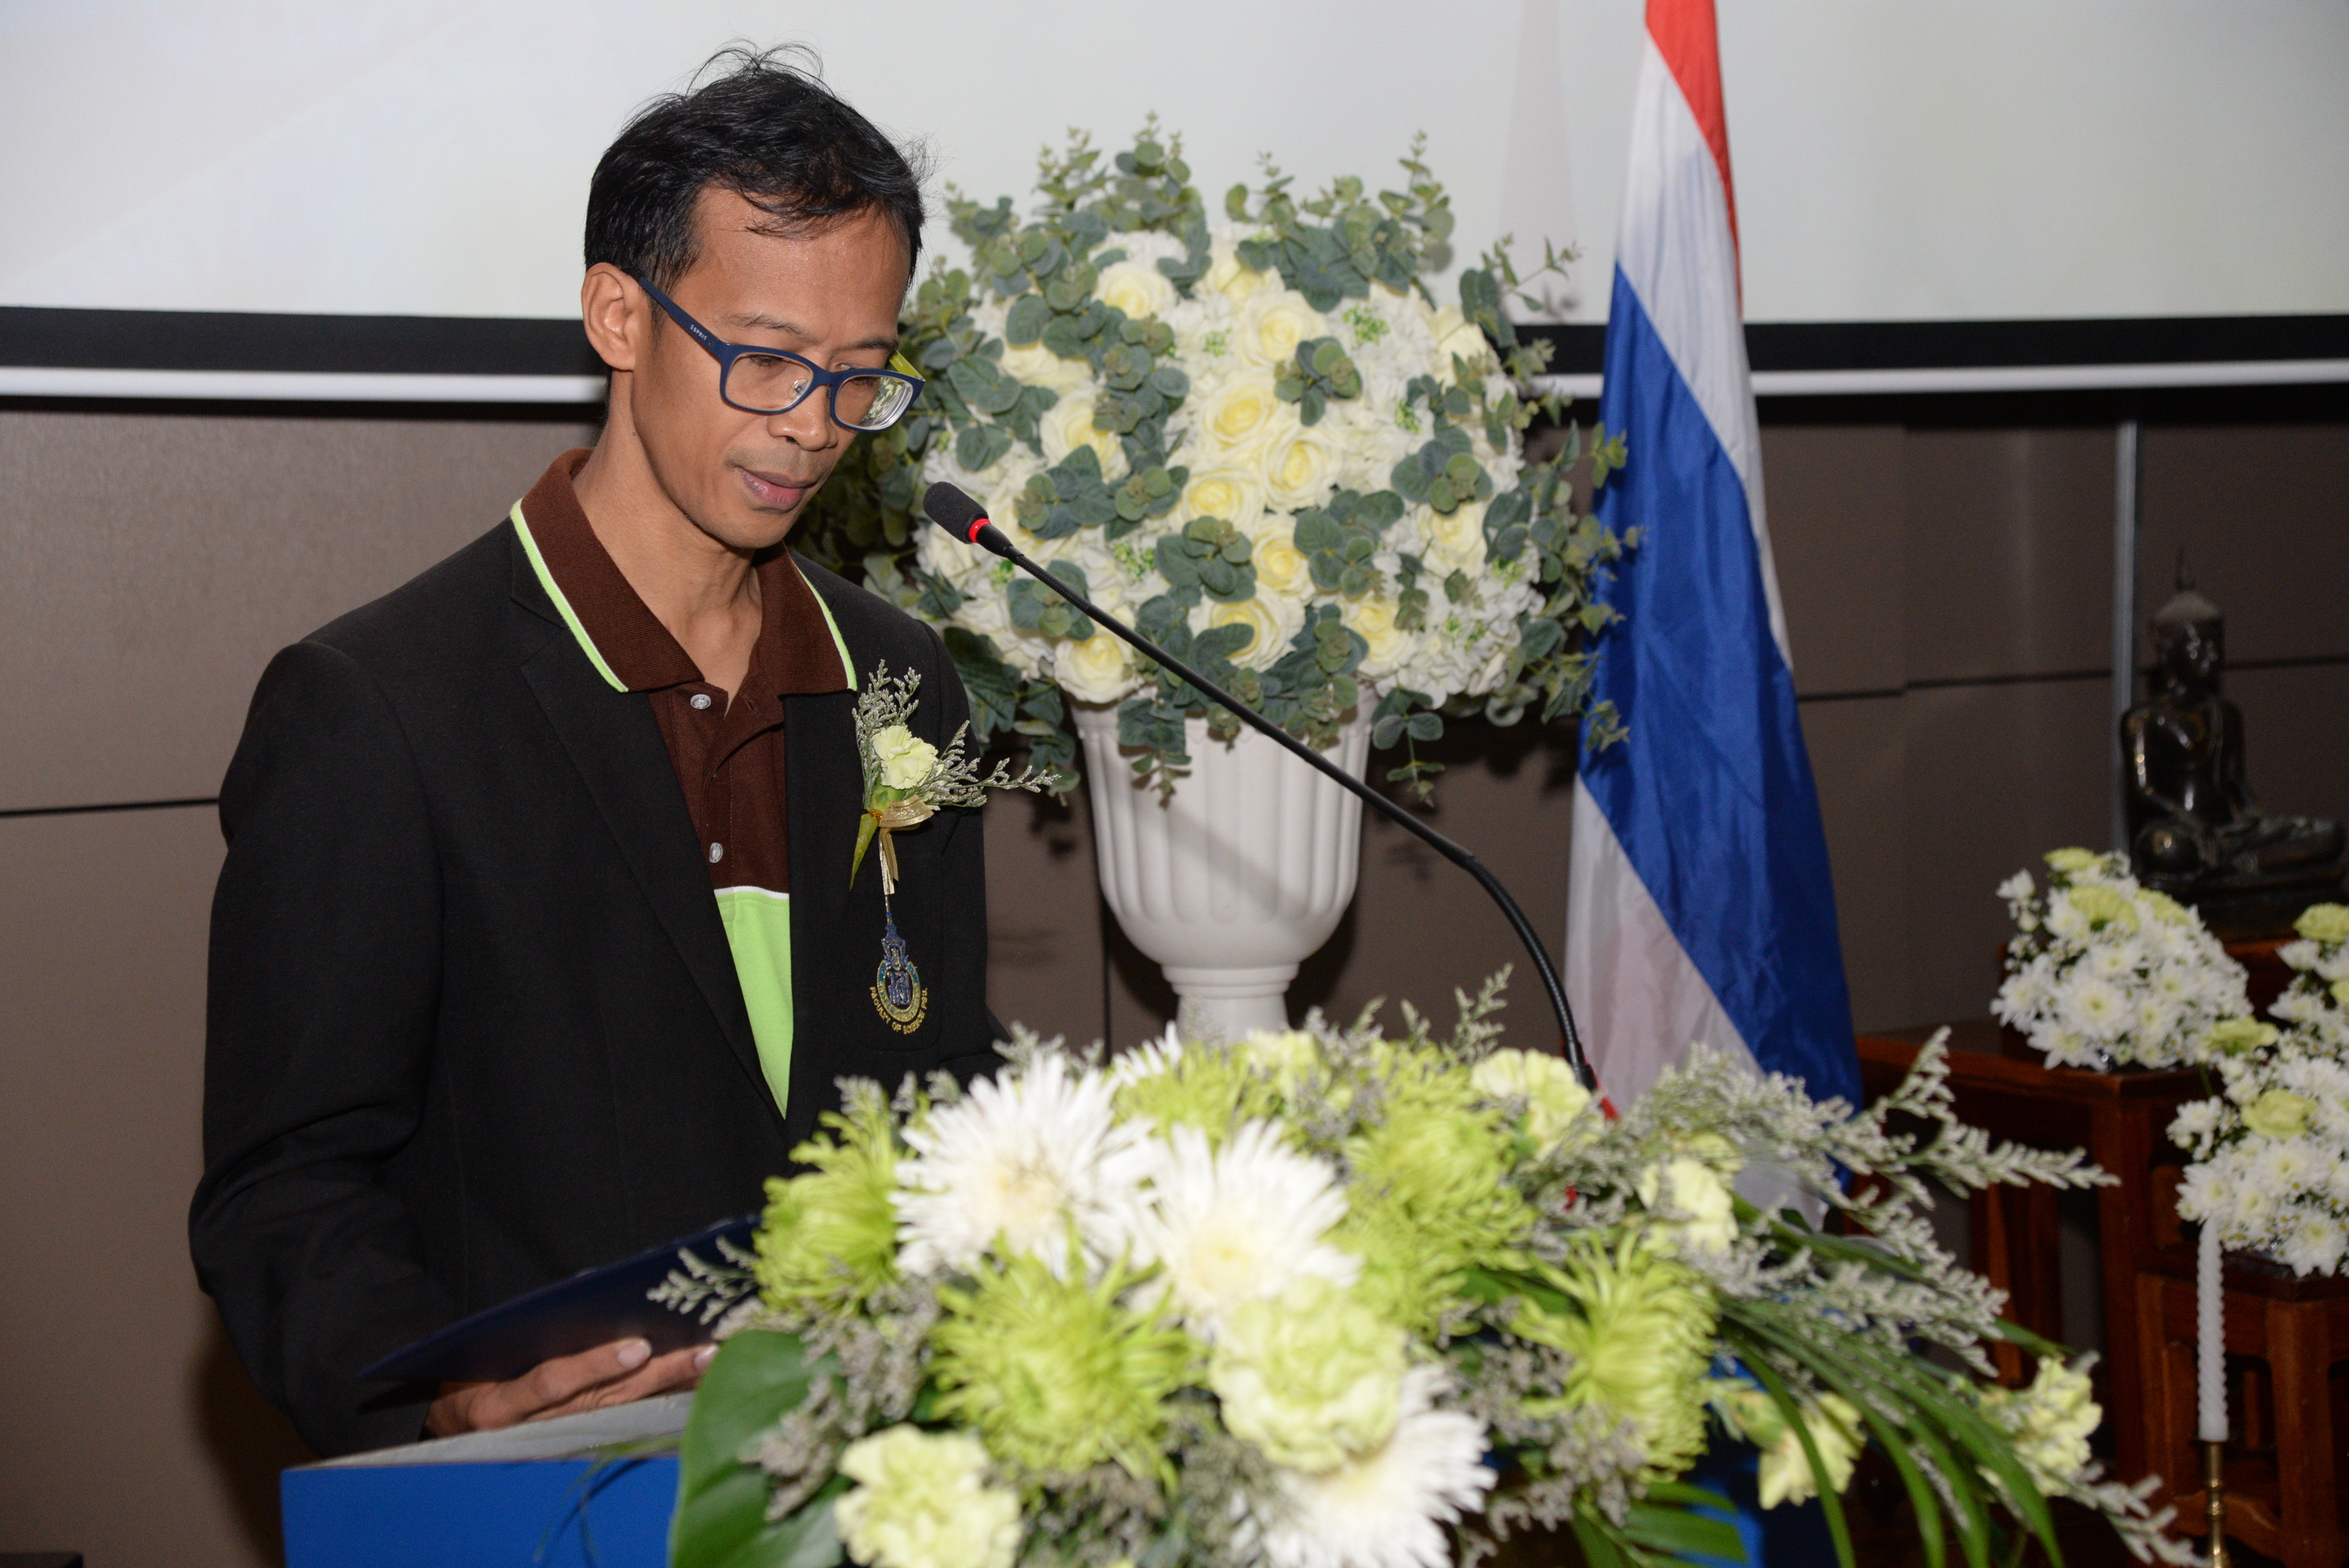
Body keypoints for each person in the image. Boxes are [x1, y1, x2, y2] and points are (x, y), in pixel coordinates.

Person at [190, 49, 1000, 1458]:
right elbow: (284, 1191)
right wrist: (438, 1401)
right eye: (764, 359)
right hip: (547, 1495)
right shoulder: (380, 706)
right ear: (619, 315)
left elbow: (951, 1097)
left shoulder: (900, 681)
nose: (812, 425)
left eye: (859, 376)